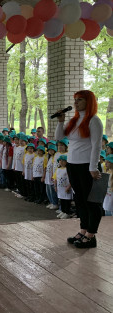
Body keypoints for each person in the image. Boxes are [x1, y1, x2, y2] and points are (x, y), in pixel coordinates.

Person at [55, 90, 103, 248]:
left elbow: (97, 145)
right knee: (80, 200)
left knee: (91, 202)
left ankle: (91, 235)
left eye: (80, 100)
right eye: (75, 100)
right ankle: (83, 230)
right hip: (73, 164)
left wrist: (93, 167)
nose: (75, 103)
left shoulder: (94, 120)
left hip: (87, 166)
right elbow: (58, 137)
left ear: (88, 102)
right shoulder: (74, 120)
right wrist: (60, 121)